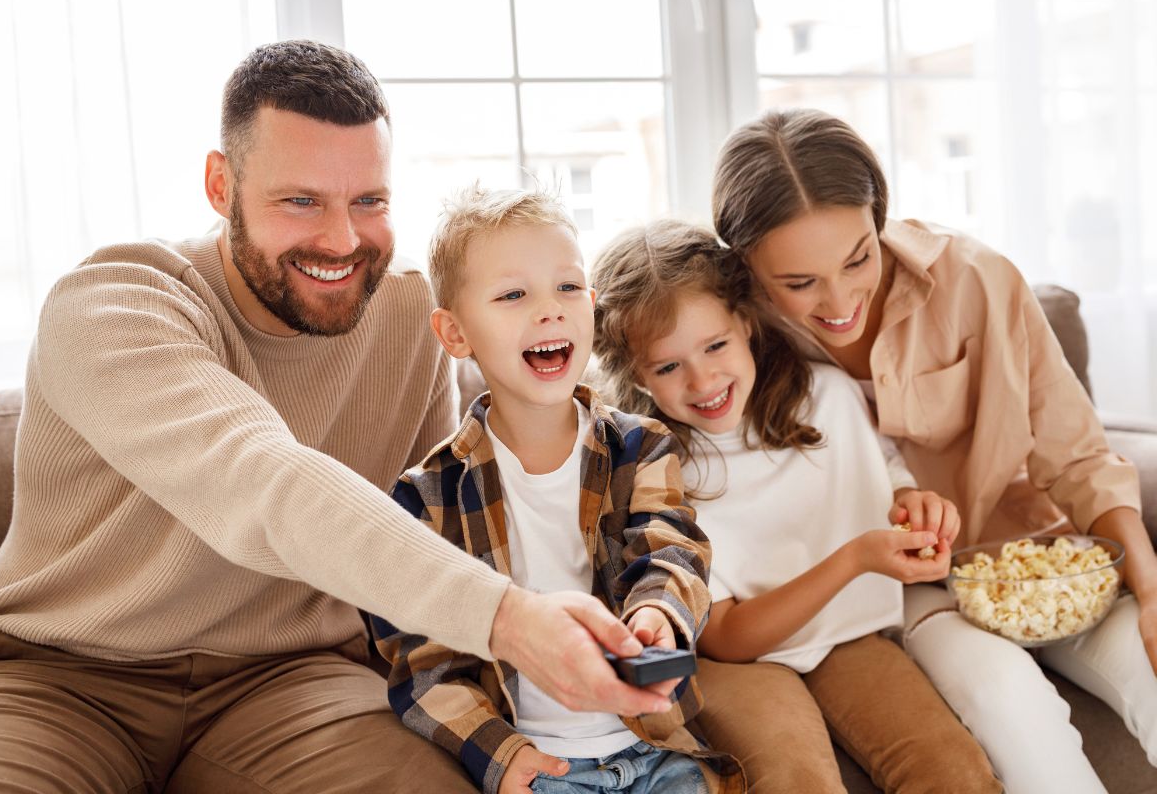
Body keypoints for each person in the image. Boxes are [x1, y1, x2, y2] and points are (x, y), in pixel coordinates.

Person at [0, 40, 674, 793]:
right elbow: (257, 478)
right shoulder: (112, 302)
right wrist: (512, 621)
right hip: (60, 677)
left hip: (291, 682)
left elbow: (434, 525)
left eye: (369, 201)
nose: (341, 241)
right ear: (219, 183)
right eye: (300, 201)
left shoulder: (406, 318)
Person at [711, 107, 1157, 794]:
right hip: (901, 597)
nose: (838, 301)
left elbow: (1078, 458)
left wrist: (1150, 587)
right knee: (1008, 698)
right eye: (799, 283)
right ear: (745, 266)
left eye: (858, 257)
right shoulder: (732, 339)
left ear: (879, 216)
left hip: (1028, 558)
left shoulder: (976, 280)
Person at [590, 219, 1000, 793]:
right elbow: (727, 637)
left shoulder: (828, 397)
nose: (703, 378)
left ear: (745, 322)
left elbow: (884, 474)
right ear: (636, 373)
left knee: (955, 774)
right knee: (795, 781)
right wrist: (855, 559)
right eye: (667, 366)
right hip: (738, 664)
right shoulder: (653, 467)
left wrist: (915, 504)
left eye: (715, 345)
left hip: (850, 636)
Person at [371, 187, 743, 794]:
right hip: (542, 765)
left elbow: (672, 549)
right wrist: (499, 753)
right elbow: (421, 662)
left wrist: (657, 613)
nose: (550, 310)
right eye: (514, 295)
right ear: (455, 333)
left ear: (592, 306)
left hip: (653, 747)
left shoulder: (641, 449)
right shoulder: (426, 498)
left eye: (568, 288)